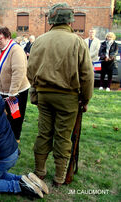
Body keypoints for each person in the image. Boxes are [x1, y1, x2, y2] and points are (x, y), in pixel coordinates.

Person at [27, 3, 94, 187]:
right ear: (70, 21)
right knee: (63, 136)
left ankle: (39, 171)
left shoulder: (39, 40)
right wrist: (85, 99)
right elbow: (87, 75)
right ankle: (58, 177)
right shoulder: (77, 41)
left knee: (44, 133)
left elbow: (30, 70)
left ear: (52, 20)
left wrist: (36, 90)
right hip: (68, 97)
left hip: (44, 96)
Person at [0, 27, 30, 142]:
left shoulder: (16, 50)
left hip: (17, 92)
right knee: (3, 116)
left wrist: (12, 93)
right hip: (1, 91)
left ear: (8, 37)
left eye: (0, 38)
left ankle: (15, 141)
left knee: (15, 117)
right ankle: (4, 140)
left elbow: (18, 72)